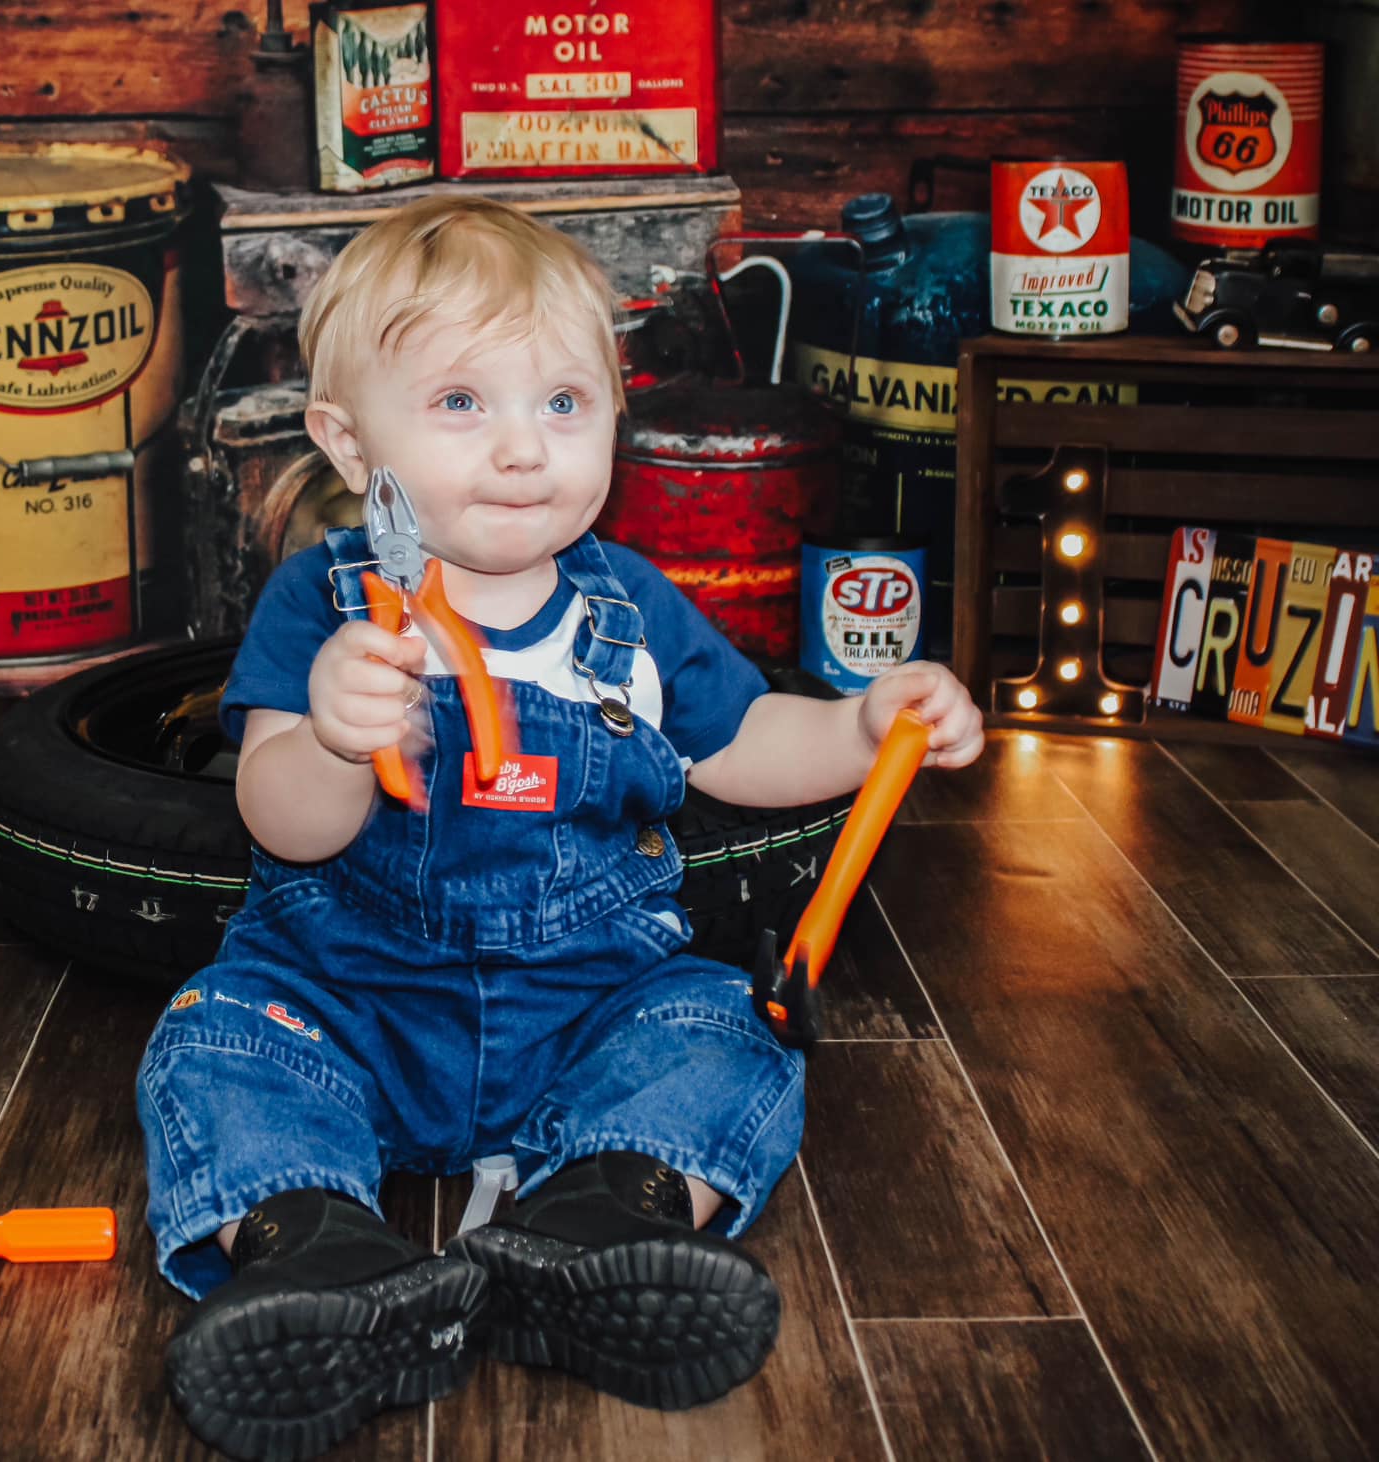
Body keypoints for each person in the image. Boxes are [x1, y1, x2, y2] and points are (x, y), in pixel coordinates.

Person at [136, 195, 985, 1460]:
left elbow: (744, 746)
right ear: (347, 440)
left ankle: (599, 1219)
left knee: (717, 1030)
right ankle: (316, 1251)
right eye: (461, 404)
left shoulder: (629, 613)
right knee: (214, 1043)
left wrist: (863, 726)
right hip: (349, 1000)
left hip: (587, 1002)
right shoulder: (325, 611)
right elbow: (285, 827)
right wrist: (325, 736)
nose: (524, 450)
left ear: (611, 420)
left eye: (563, 405)